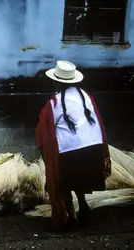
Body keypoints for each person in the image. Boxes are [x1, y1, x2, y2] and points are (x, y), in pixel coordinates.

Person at [35, 60, 111, 229]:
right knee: (77, 176)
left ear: (56, 81)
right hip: (94, 150)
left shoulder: (53, 103)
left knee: (62, 180)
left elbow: (43, 131)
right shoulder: (86, 96)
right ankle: (83, 204)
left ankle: (71, 216)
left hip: (69, 154)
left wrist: (43, 149)